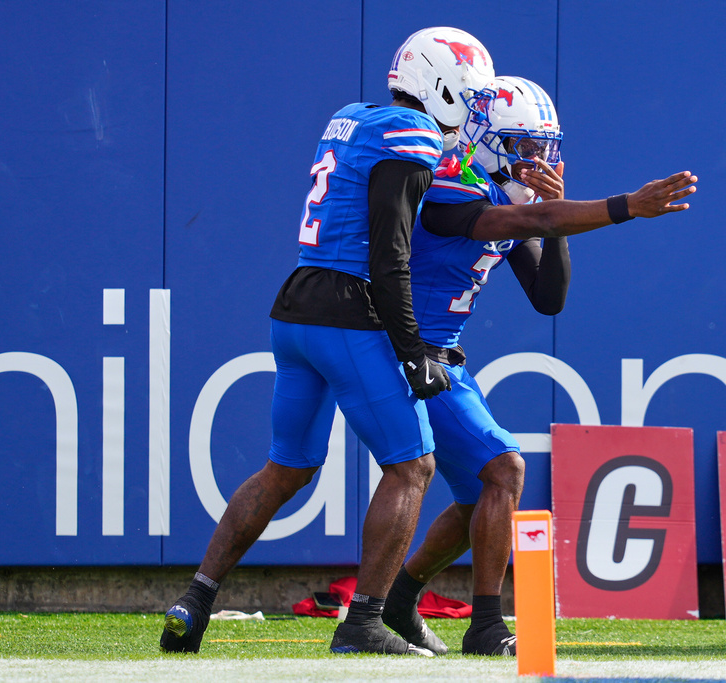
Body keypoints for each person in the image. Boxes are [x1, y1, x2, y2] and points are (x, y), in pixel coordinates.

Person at [159, 26, 494, 656]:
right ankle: (363, 622)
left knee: (286, 467)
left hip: (295, 304)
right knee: (412, 466)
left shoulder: (352, 117)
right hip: (347, 309)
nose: (471, 112)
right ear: (441, 85)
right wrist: (413, 351)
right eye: (469, 96)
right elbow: (390, 254)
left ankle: (195, 599)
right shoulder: (413, 133)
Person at [380, 76, 698, 656]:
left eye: (543, 147)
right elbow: (525, 224)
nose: (536, 160)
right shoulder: (448, 183)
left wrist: (554, 221)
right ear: (482, 139)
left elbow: (549, 298)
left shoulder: (513, 202)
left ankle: (399, 600)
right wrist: (622, 207)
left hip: (444, 355)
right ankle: (485, 625)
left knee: (481, 500)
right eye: (523, 147)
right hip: (409, 352)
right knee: (505, 469)